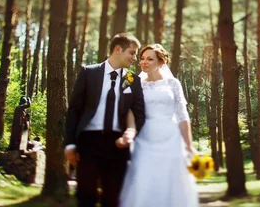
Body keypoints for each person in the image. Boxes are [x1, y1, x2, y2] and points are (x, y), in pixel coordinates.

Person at [65, 33, 146, 207]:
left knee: (113, 197)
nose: (134, 58)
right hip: (88, 142)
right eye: (132, 53)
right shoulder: (89, 72)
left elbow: (139, 114)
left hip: (117, 144)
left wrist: (129, 135)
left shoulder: (131, 79)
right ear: (118, 49)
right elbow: (74, 110)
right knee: (86, 195)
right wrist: (70, 144)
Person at [119, 44, 198, 207]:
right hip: (144, 139)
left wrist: (189, 145)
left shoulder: (173, 83)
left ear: (161, 62)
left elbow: (182, 115)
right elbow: (125, 108)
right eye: (142, 58)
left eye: (149, 59)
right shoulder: (131, 80)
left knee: (172, 182)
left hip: (171, 139)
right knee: (143, 179)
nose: (144, 62)